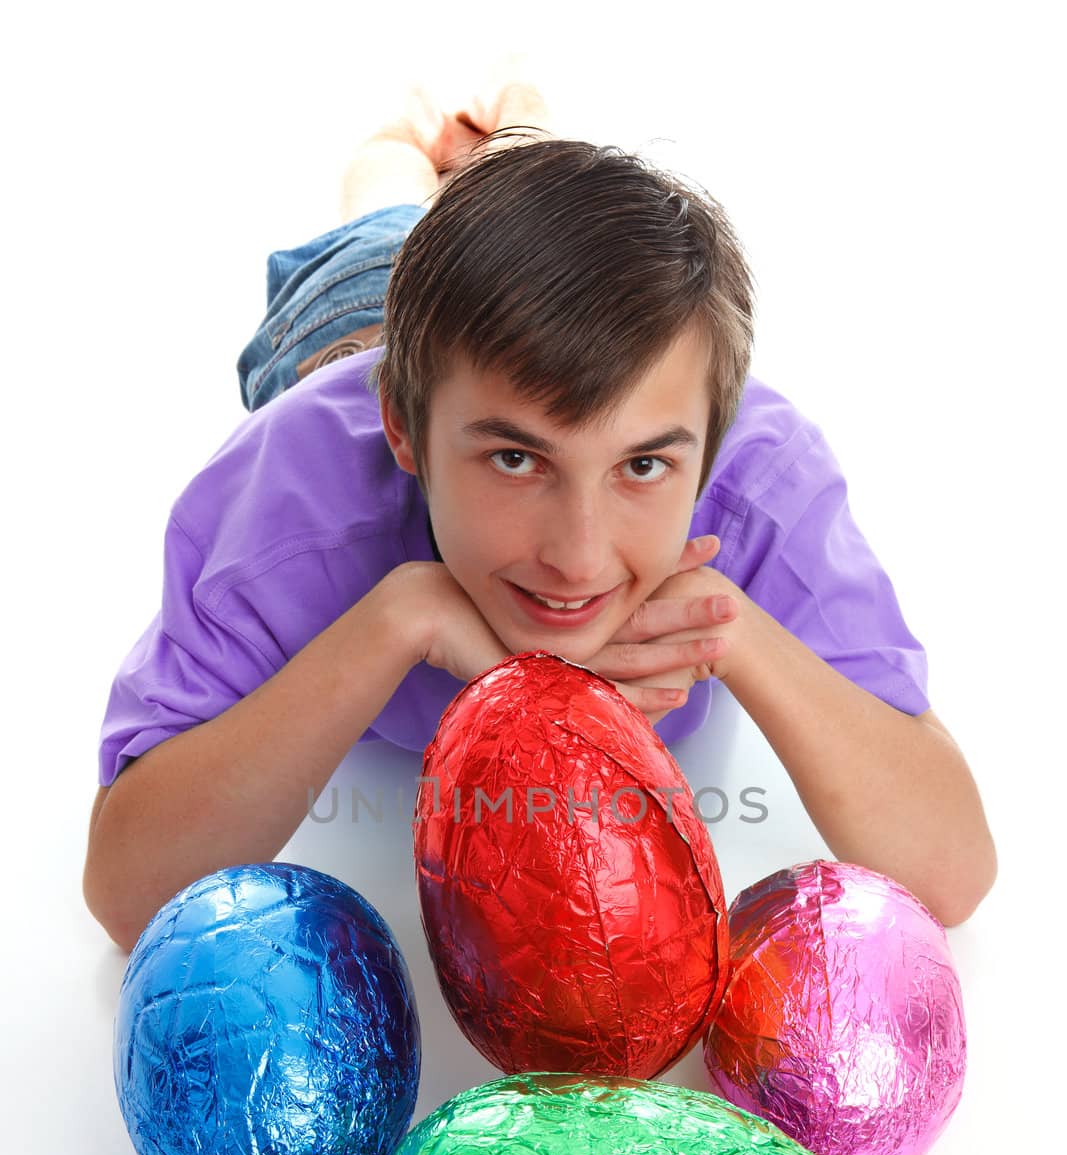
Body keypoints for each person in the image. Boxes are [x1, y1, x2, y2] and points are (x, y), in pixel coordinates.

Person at [83, 68, 997, 953]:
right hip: (357, 324)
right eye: (515, 458)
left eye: (642, 464)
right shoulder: (289, 506)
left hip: (508, 311)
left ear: (711, 451)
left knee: (539, 197)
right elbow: (129, 896)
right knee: (383, 213)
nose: (579, 557)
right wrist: (398, 617)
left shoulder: (762, 486)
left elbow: (950, 872)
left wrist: (736, 630)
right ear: (404, 434)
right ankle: (412, 142)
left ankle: (517, 127)